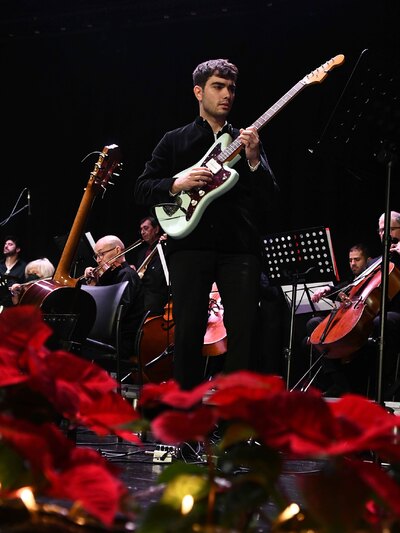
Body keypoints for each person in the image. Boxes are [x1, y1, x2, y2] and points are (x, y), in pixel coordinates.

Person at [134, 58, 278, 389]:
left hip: (239, 247)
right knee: (187, 332)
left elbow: (270, 197)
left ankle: (234, 414)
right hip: (190, 246)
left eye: (231, 88)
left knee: (244, 333)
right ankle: (185, 414)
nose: (227, 94)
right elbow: (141, 188)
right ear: (199, 92)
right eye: (218, 86)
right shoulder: (175, 140)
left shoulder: (245, 141)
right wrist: (176, 183)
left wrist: (254, 159)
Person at [83, 235, 145, 361]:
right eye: (96, 256)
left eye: (101, 254)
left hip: (120, 341)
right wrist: (93, 285)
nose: (98, 260)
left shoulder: (127, 275)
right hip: (109, 337)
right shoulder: (112, 276)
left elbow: (114, 314)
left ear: (117, 250)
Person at [130, 215, 170, 316]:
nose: (142, 232)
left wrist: (167, 243)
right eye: (141, 229)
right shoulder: (142, 253)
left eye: (146, 228)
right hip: (143, 297)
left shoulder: (165, 247)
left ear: (156, 229)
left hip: (159, 297)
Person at [0, 235, 27, 310]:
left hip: (13, 308)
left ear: (17, 249)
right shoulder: (0, 264)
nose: (6, 246)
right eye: (5, 244)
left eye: (10, 244)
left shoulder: (24, 267)